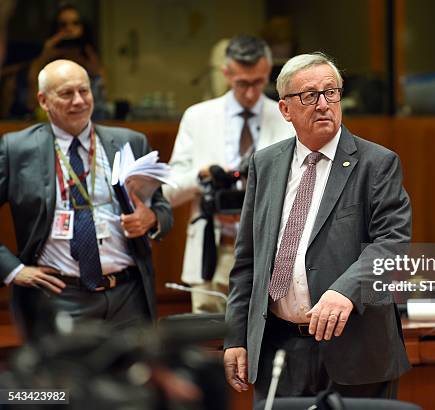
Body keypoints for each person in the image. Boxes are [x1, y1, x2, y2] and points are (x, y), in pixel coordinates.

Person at [223, 52, 411, 401]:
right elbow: (247, 259)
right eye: (309, 95)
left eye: (331, 92)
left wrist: (346, 290)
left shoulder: (377, 164)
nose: (324, 104)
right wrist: (236, 336)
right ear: (285, 109)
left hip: (355, 349)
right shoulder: (265, 164)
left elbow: (392, 243)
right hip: (278, 348)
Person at [0, 59, 172, 338]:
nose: (79, 101)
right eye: (67, 94)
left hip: (128, 296)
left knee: (135, 379)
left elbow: (162, 208)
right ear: (43, 100)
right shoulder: (17, 149)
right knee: (67, 382)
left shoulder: (130, 141)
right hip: (60, 298)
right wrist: (13, 270)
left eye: (84, 91)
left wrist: (150, 218)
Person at [163, 35, 293, 313]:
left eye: (258, 82)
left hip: (270, 253)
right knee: (208, 348)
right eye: (241, 83)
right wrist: (203, 178)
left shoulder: (287, 116)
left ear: (268, 72)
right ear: (226, 74)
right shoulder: (197, 117)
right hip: (214, 252)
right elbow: (169, 190)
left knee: (265, 348)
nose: (249, 93)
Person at [16, 3, 106, 119]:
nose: (69, 29)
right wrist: (47, 52)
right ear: (56, 28)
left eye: (75, 23)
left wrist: (87, 54)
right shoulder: (49, 56)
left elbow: (101, 92)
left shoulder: (89, 56)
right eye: (63, 25)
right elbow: (31, 99)